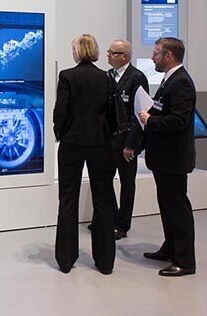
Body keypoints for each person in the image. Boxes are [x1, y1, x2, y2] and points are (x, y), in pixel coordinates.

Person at [54, 34, 115, 275]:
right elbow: (112, 112)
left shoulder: (67, 76)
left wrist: (60, 133)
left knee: (68, 197)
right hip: (100, 142)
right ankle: (105, 261)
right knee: (103, 199)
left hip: (72, 141)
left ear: (78, 51)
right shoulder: (106, 77)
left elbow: (61, 110)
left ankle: (66, 259)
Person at [139, 37, 196, 277]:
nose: (152, 58)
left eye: (156, 54)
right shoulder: (169, 80)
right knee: (167, 206)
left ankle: (185, 261)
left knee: (178, 209)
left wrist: (150, 120)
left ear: (169, 56)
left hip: (174, 158)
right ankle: (170, 248)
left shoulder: (181, 83)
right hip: (164, 158)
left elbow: (179, 120)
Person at [106, 39, 149, 239]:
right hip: (108, 140)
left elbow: (139, 114)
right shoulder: (107, 76)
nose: (108, 56)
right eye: (108, 52)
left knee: (127, 183)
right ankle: (109, 218)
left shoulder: (137, 78)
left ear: (125, 56)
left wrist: (131, 144)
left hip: (126, 142)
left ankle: (122, 224)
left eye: (112, 53)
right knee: (104, 180)